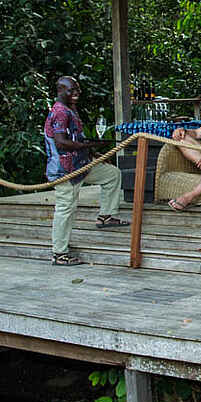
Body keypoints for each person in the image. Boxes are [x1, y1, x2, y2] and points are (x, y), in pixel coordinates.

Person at [44, 75, 126, 266]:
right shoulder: (60, 112)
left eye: (77, 90)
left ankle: (106, 216)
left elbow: (76, 137)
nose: (75, 94)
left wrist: (92, 151)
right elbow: (61, 142)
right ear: (60, 91)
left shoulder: (70, 109)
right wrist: (85, 146)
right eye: (71, 90)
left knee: (112, 175)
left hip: (82, 165)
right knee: (66, 208)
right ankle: (59, 253)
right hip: (66, 170)